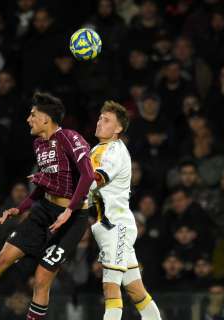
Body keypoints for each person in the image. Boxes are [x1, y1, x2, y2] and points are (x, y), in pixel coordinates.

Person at [0, 92, 94, 320]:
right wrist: (20, 208)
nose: (29, 119)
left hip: (72, 219)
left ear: (46, 119)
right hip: (45, 212)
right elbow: (43, 186)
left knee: (41, 279)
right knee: (0, 260)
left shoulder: (69, 137)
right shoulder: (38, 144)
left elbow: (88, 176)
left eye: (33, 115)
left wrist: (69, 210)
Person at [88, 101, 162, 320]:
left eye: (107, 120)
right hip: (110, 225)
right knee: (136, 292)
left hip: (116, 226)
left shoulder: (115, 151)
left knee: (110, 291)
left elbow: (95, 181)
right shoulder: (96, 150)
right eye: (100, 118)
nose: (100, 122)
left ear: (118, 129)